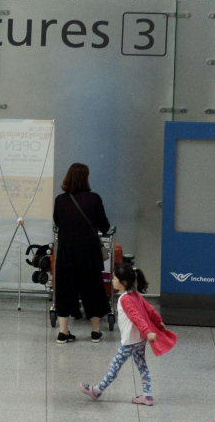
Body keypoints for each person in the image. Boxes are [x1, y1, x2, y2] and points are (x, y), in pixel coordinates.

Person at [80, 265, 174, 405]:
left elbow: (136, 317)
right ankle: (148, 396)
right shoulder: (135, 294)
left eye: (114, 278)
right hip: (140, 340)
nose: (112, 280)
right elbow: (149, 309)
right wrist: (158, 321)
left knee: (115, 366)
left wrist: (148, 331)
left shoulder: (124, 299)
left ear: (123, 282)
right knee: (143, 367)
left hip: (129, 342)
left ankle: (97, 391)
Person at [53, 163, 111, 344]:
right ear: (85, 178)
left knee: (65, 289)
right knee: (92, 288)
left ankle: (63, 332)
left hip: (66, 252)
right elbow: (105, 226)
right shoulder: (94, 198)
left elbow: (57, 222)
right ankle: (95, 332)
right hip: (88, 253)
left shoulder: (60, 200)